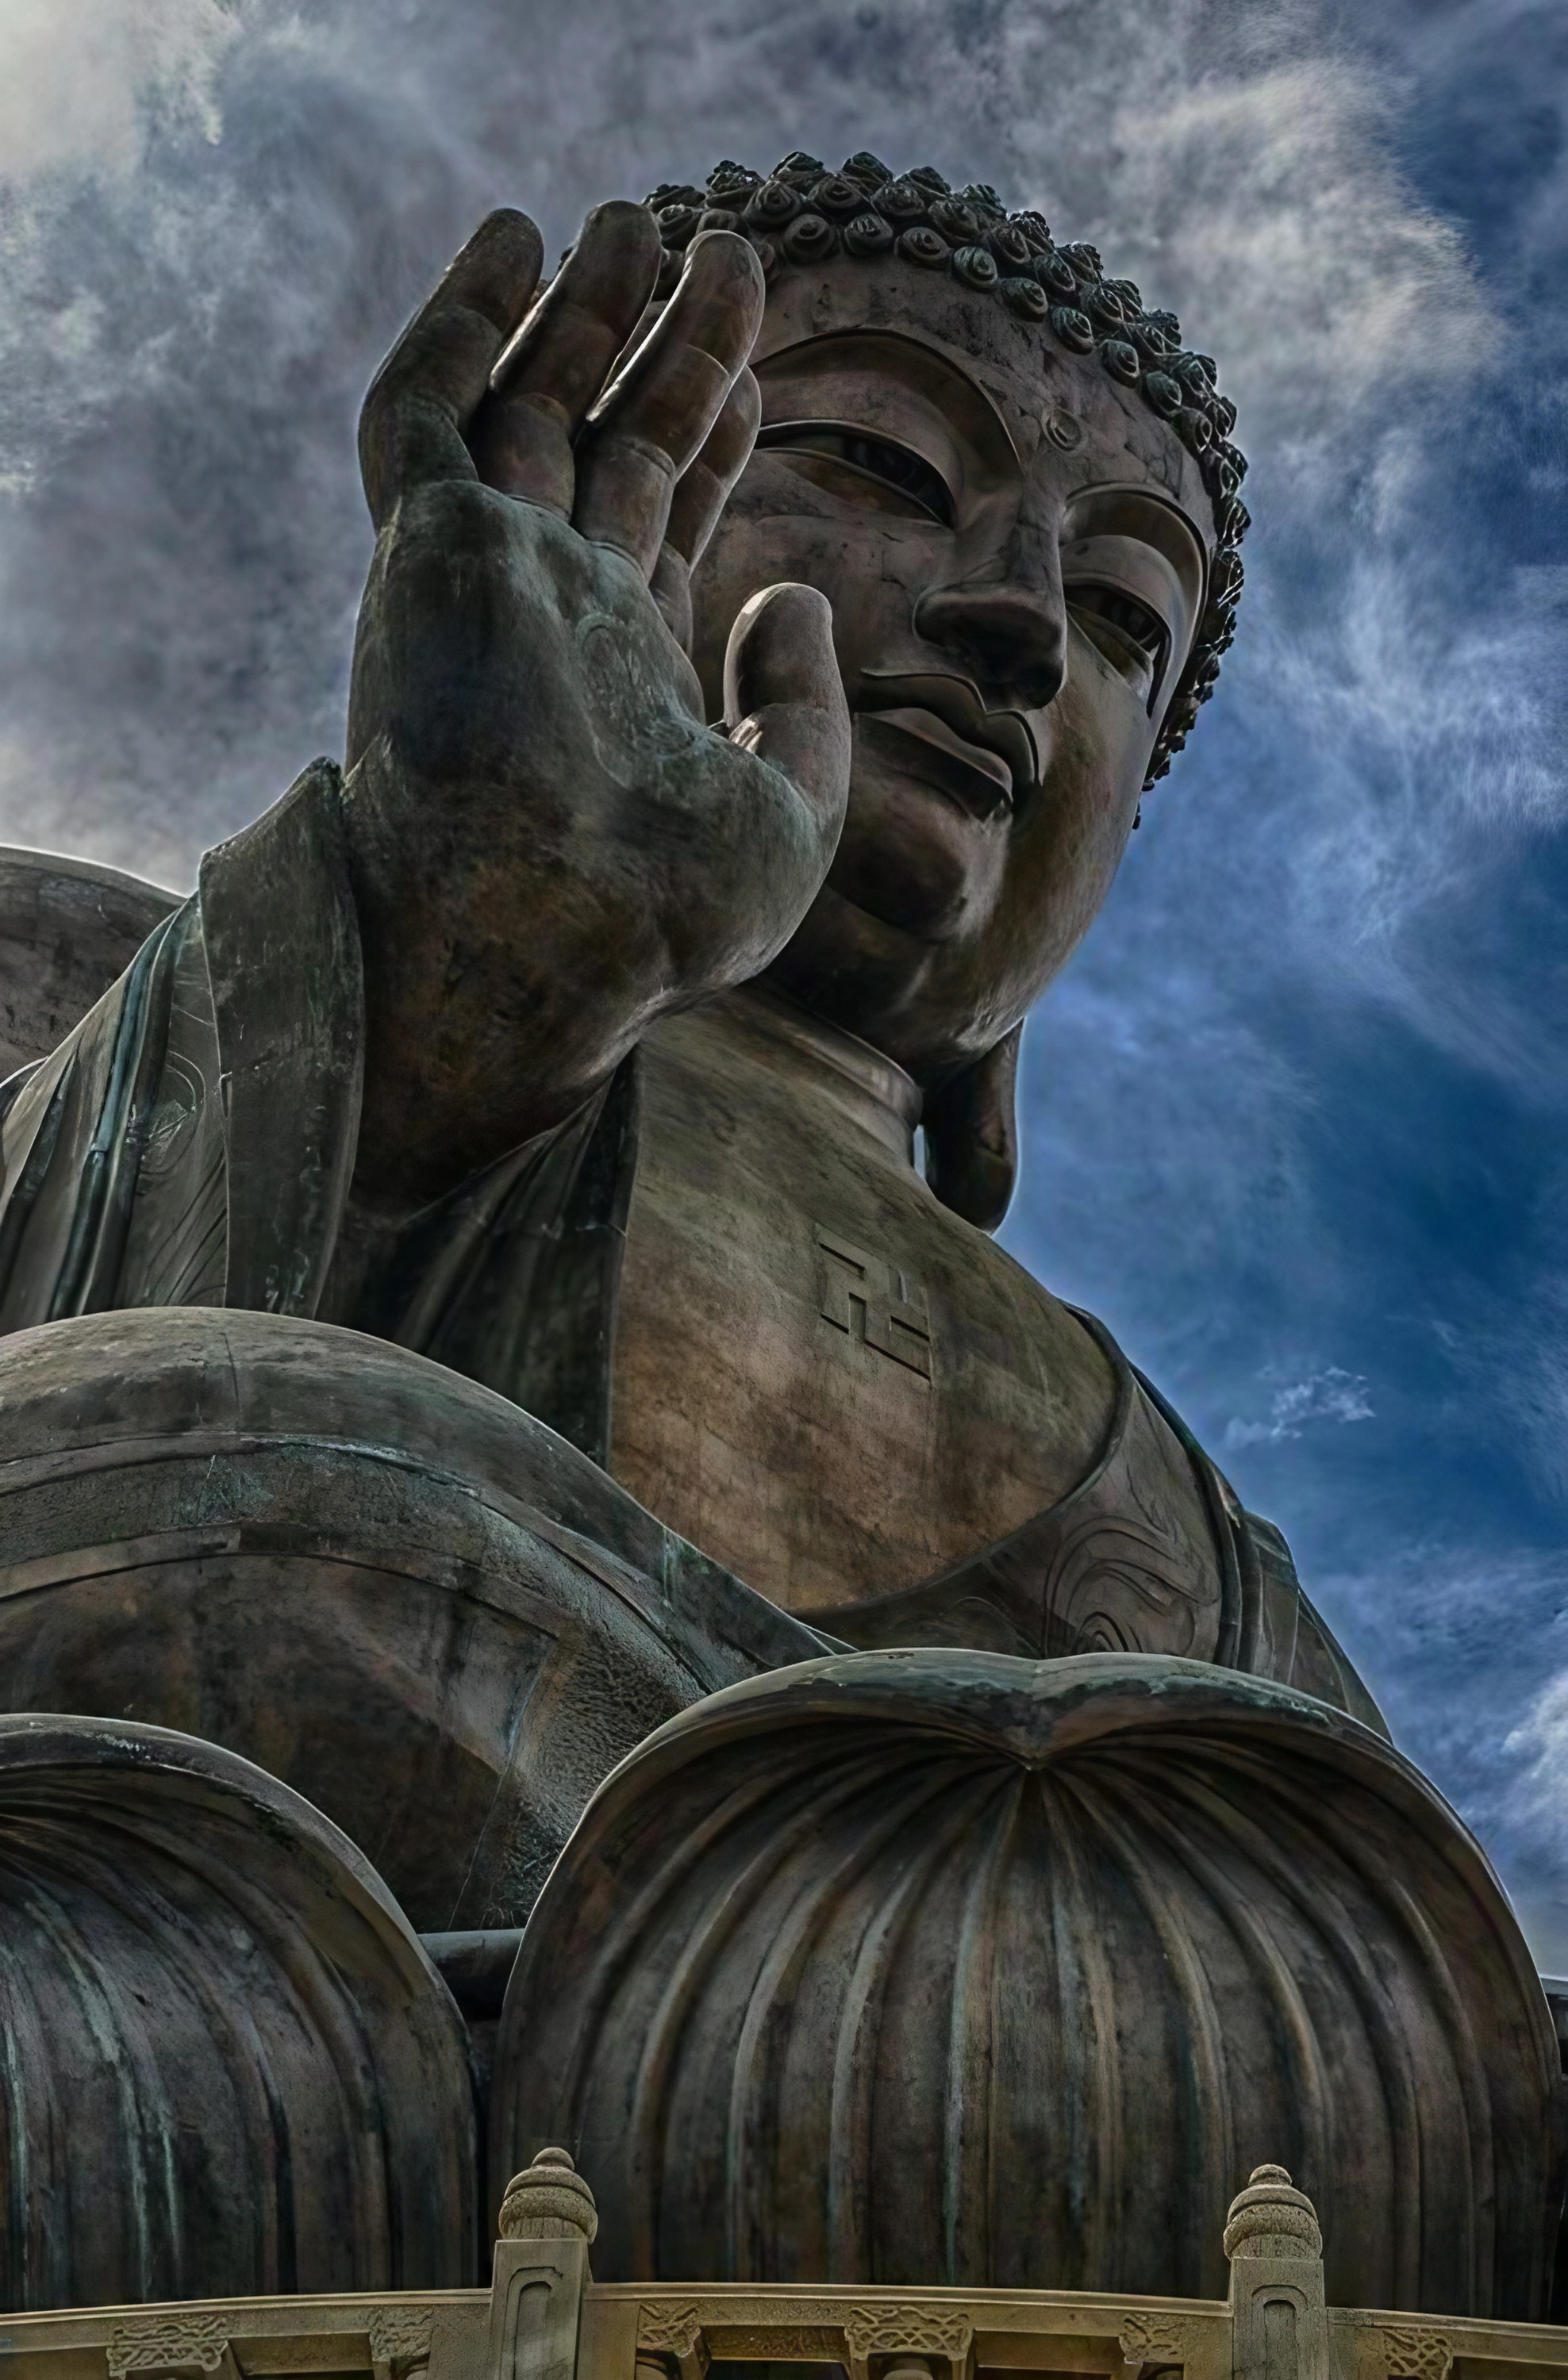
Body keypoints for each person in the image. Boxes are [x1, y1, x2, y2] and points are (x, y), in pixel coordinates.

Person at [0, 151, 1375, 1705]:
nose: (1025, 620)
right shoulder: (73, 987)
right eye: (881, 462)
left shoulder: (1204, 1552)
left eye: (1127, 611)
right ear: (596, 503)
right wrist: (458, 967)